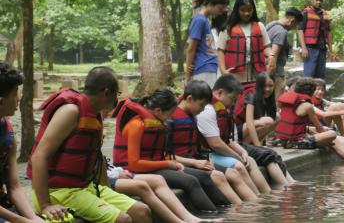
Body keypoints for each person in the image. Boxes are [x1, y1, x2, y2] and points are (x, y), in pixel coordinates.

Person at [27, 66, 152, 223]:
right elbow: (39, 156)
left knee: (142, 211)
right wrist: (45, 205)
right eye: (116, 94)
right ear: (106, 92)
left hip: (85, 188)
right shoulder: (71, 111)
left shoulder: (93, 114)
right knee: (123, 220)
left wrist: (104, 187)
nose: (117, 100)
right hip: (59, 191)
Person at [112, 89, 230, 213]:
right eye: (171, 112)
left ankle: (227, 212)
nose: (173, 116)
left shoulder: (157, 124)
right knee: (190, 181)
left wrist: (171, 162)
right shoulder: (136, 125)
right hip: (133, 171)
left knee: (204, 176)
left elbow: (156, 155)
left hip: (153, 166)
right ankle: (213, 215)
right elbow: (134, 164)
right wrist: (168, 164)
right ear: (158, 111)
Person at [168, 80, 257, 204]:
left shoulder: (191, 115)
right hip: (178, 164)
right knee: (218, 176)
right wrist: (194, 162)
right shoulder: (170, 118)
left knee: (233, 173)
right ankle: (238, 211)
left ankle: (254, 206)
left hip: (193, 160)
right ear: (189, 98)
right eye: (201, 106)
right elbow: (164, 155)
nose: (203, 110)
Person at [197, 74, 272, 195]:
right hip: (206, 154)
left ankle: (266, 195)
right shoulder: (207, 110)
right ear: (220, 92)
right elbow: (216, 144)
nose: (233, 104)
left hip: (217, 153)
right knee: (239, 165)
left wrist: (242, 152)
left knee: (250, 160)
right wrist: (236, 157)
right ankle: (257, 201)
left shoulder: (223, 109)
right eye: (232, 99)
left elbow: (227, 140)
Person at [275, 78, 344, 163]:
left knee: (337, 138)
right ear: (311, 92)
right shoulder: (307, 106)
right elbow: (320, 128)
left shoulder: (286, 101)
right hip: (294, 143)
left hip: (281, 141)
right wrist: (325, 132)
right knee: (332, 134)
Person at [0, 63, 45, 223]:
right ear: (1, 101)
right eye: (15, 94)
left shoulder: (7, 131)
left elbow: (14, 187)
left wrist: (33, 218)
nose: (18, 99)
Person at [233, 72, 293, 187]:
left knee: (277, 117)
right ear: (259, 86)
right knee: (266, 121)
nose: (267, 89)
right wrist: (258, 147)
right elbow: (250, 124)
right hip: (240, 132)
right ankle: (252, 145)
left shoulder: (270, 99)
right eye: (264, 86)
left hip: (251, 131)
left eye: (270, 86)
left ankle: (290, 183)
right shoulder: (251, 96)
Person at [105, 162, 205, 223]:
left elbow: (103, 164)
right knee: (141, 186)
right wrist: (115, 174)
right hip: (104, 180)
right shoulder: (135, 127)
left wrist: (117, 171)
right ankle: (178, 221)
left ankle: (189, 217)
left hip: (112, 173)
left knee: (158, 179)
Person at [217, 0, 272, 83]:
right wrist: (223, 71)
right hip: (234, 77)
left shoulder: (260, 26)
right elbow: (220, 51)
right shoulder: (228, 28)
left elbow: (266, 46)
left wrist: (271, 56)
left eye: (249, 10)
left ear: (253, 10)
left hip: (256, 75)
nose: (246, 13)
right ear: (237, 10)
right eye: (242, 10)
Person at [185, 0, 230, 87]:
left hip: (210, 67)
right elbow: (191, 48)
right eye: (220, 9)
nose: (220, 13)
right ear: (210, 3)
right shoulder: (199, 20)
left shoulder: (205, 21)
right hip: (203, 68)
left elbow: (207, 47)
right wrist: (187, 76)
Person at [266, 7, 303, 98]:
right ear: (292, 21)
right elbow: (273, 55)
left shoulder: (271, 25)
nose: (294, 27)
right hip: (275, 72)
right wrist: (269, 76)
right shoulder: (281, 32)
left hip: (264, 69)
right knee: (277, 100)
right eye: (296, 25)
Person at [311, 78, 344, 147]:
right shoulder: (308, 101)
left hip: (324, 123)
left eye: (322, 90)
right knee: (337, 108)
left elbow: (339, 105)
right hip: (315, 127)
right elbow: (323, 114)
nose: (320, 92)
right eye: (318, 89)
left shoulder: (321, 100)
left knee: (338, 106)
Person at [298, 0, 332, 79]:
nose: (318, 2)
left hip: (322, 48)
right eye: (316, 0)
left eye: (320, 0)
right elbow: (300, 30)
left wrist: (331, 50)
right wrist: (303, 48)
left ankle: (319, 92)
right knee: (309, 75)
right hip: (310, 48)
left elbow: (328, 32)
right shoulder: (305, 12)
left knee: (320, 76)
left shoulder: (325, 14)